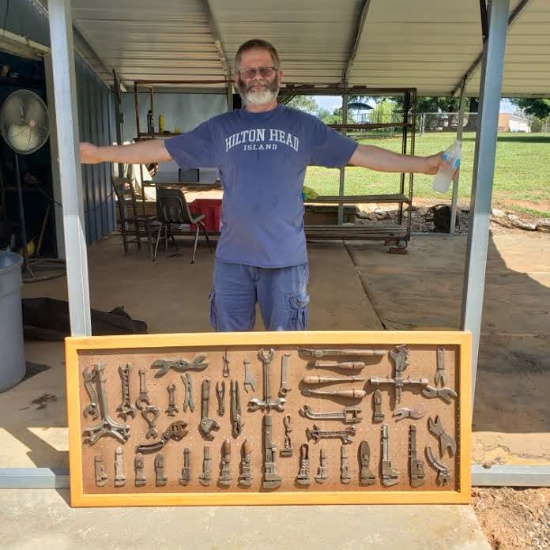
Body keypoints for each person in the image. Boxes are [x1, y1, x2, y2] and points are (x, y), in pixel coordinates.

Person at [80, 38, 448, 333]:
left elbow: (361, 153)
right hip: (232, 261)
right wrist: (100, 153)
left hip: (285, 262)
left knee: (284, 356)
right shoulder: (220, 128)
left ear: (279, 76)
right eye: (249, 71)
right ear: (237, 79)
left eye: (265, 70)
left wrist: (424, 165)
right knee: (232, 354)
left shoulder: (304, 127)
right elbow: (163, 148)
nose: (257, 77)